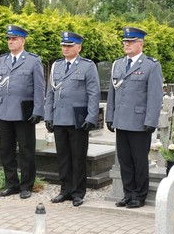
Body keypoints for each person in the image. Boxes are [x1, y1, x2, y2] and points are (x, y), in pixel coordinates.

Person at [105, 27, 163, 208]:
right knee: (124, 161)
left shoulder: (151, 66)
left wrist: (150, 121)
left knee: (139, 161)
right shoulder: (119, 64)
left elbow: (155, 96)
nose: (126, 44)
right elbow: (112, 94)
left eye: (130, 42)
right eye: (125, 42)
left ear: (141, 43)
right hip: (121, 121)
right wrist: (110, 116)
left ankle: (139, 195)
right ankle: (128, 193)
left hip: (139, 123)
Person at [44, 31, 100, 207]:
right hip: (59, 118)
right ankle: (65, 190)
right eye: (63, 46)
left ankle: (78, 192)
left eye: (69, 45)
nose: (65, 48)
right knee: (63, 157)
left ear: (79, 47)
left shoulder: (87, 66)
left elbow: (93, 93)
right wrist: (48, 116)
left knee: (78, 157)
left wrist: (91, 117)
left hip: (78, 119)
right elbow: (50, 93)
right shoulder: (56, 66)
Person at [0, 25, 45, 199]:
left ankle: (26, 185)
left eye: (14, 39)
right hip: (5, 112)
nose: (10, 41)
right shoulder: (2, 60)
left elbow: (39, 88)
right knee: (6, 151)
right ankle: (11, 184)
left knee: (27, 150)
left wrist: (38, 110)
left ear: (23, 40)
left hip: (24, 113)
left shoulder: (33, 61)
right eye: (8, 39)